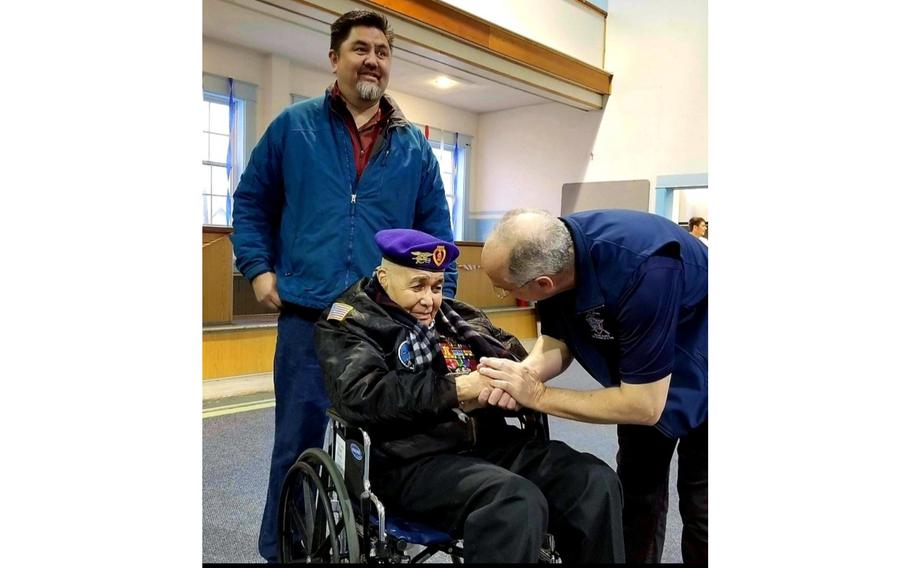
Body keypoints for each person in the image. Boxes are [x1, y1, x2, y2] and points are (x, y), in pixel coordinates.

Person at [230, 10, 456, 562]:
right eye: (360, 48)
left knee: (386, 445)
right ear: (335, 57)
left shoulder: (413, 147)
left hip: (383, 324)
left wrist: (438, 292)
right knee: (296, 444)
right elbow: (252, 202)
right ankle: (284, 551)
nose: (372, 60)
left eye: (381, 50)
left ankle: (374, 546)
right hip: (308, 317)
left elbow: (437, 230)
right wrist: (258, 269)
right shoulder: (294, 126)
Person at [314, 228, 626, 563]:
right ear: (383, 276)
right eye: (417, 286)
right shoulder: (349, 322)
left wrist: (507, 383)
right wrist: (460, 389)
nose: (429, 300)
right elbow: (363, 395)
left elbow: (516, 361)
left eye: (436, 287)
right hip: (409, 459)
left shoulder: (458, 316)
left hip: (487, 443)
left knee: (594, 482)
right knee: (514, 503)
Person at [478, 208, 708, 564]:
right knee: (637, 494)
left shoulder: (644, 269)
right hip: (640, 365)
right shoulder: (556, 250)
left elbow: (643, 406)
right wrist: (522, 375)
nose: (498, 292)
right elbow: (558, 340)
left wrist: (537, 395)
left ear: (541, 284)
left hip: (704, 352)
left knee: (702, 501)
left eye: (504, 288)